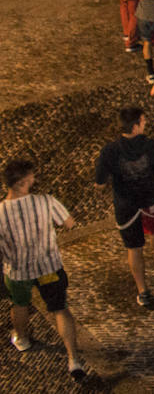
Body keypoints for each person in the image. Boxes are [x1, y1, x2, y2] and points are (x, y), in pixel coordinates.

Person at [0, 159, 87, 379]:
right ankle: (74, 360)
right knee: (60, 309)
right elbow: (69, 223)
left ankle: (22, 339)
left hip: (18, 272)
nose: (34, 179)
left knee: (19, 304)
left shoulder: (0, 212)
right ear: (22, 182)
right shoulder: (45, 202)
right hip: (48, 267)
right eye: (30, 177)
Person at [94, 106, 154, 309]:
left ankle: (143, 291)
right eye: (144, 121)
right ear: (136, 126)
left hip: (125, 205)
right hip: (150, 199)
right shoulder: (152, 146)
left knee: (134, 247)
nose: (146, 124)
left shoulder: (109, 151)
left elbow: (100, 184)